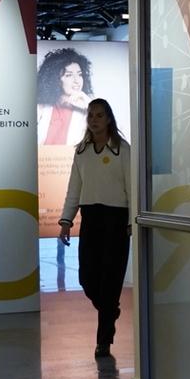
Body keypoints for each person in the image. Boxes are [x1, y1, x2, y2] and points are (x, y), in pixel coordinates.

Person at [59, 97, 131, 359]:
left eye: (99, 115)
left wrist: (131, 222)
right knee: (87, 279)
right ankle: (110, 310)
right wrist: (66, 220)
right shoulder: (82, 151)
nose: (94, 120)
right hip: (91, 219)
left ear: (109, 118)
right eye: (90, 115)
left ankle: (103, 341)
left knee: (110, 281)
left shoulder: (122, 149)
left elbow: (132, 187)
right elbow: (74, 189)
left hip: (116, 220)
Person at [36, 47, 94, 146]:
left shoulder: (87, 110)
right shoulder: (41, 108)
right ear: (56, 80)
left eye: (80, 74)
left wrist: (90, 104)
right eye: (69, 75)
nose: (77, 80)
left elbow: (113, 139)